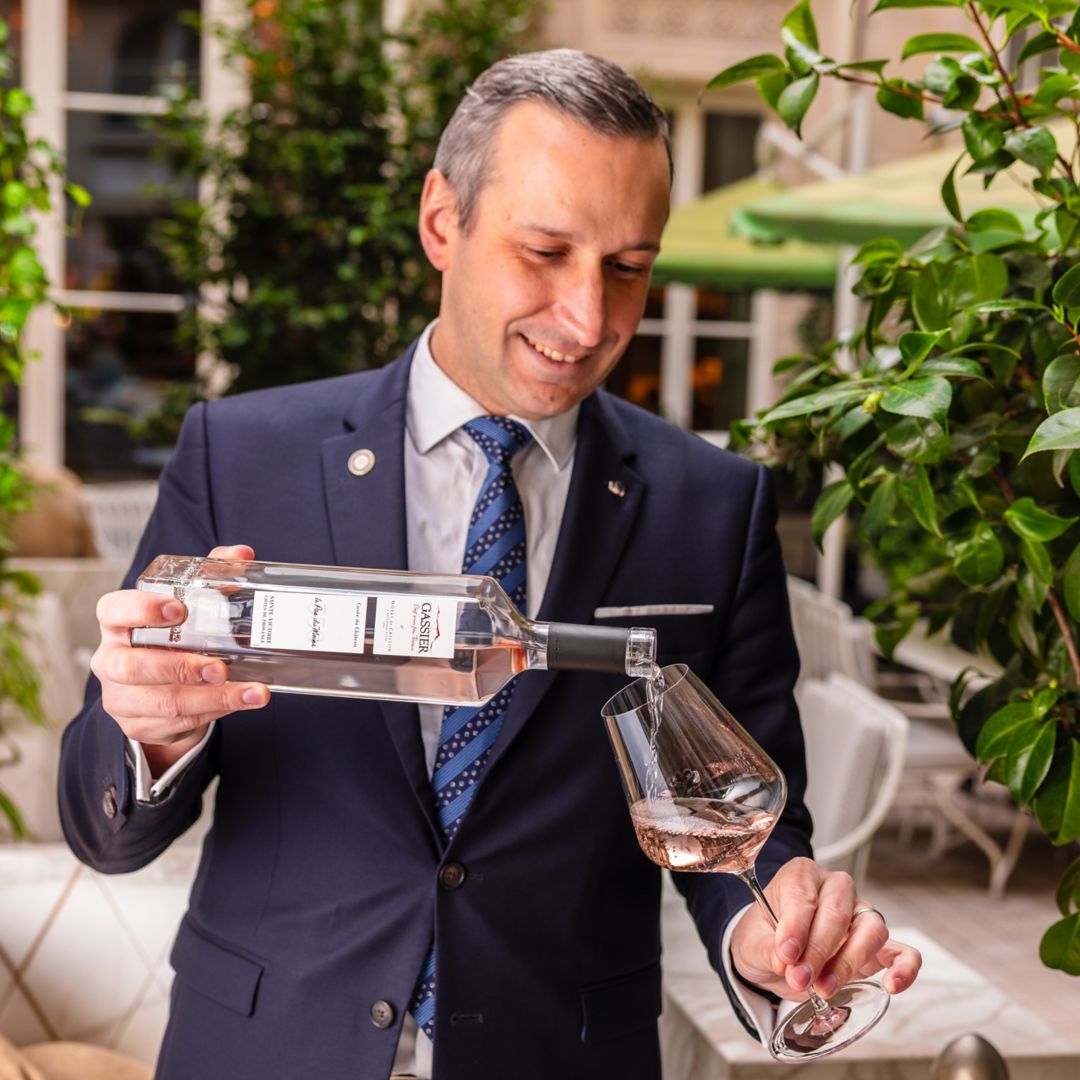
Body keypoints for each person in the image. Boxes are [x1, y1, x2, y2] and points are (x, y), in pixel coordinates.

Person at [58, 49, 921, 1080]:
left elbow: (739, 833)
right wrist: (151, 731)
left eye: (628, 267)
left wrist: (771, 931)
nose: (590, 319)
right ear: (442, 220)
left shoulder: (713, 505)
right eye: (545, 251)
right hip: (265, 1047)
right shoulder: (241, 457)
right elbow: (105, 832)